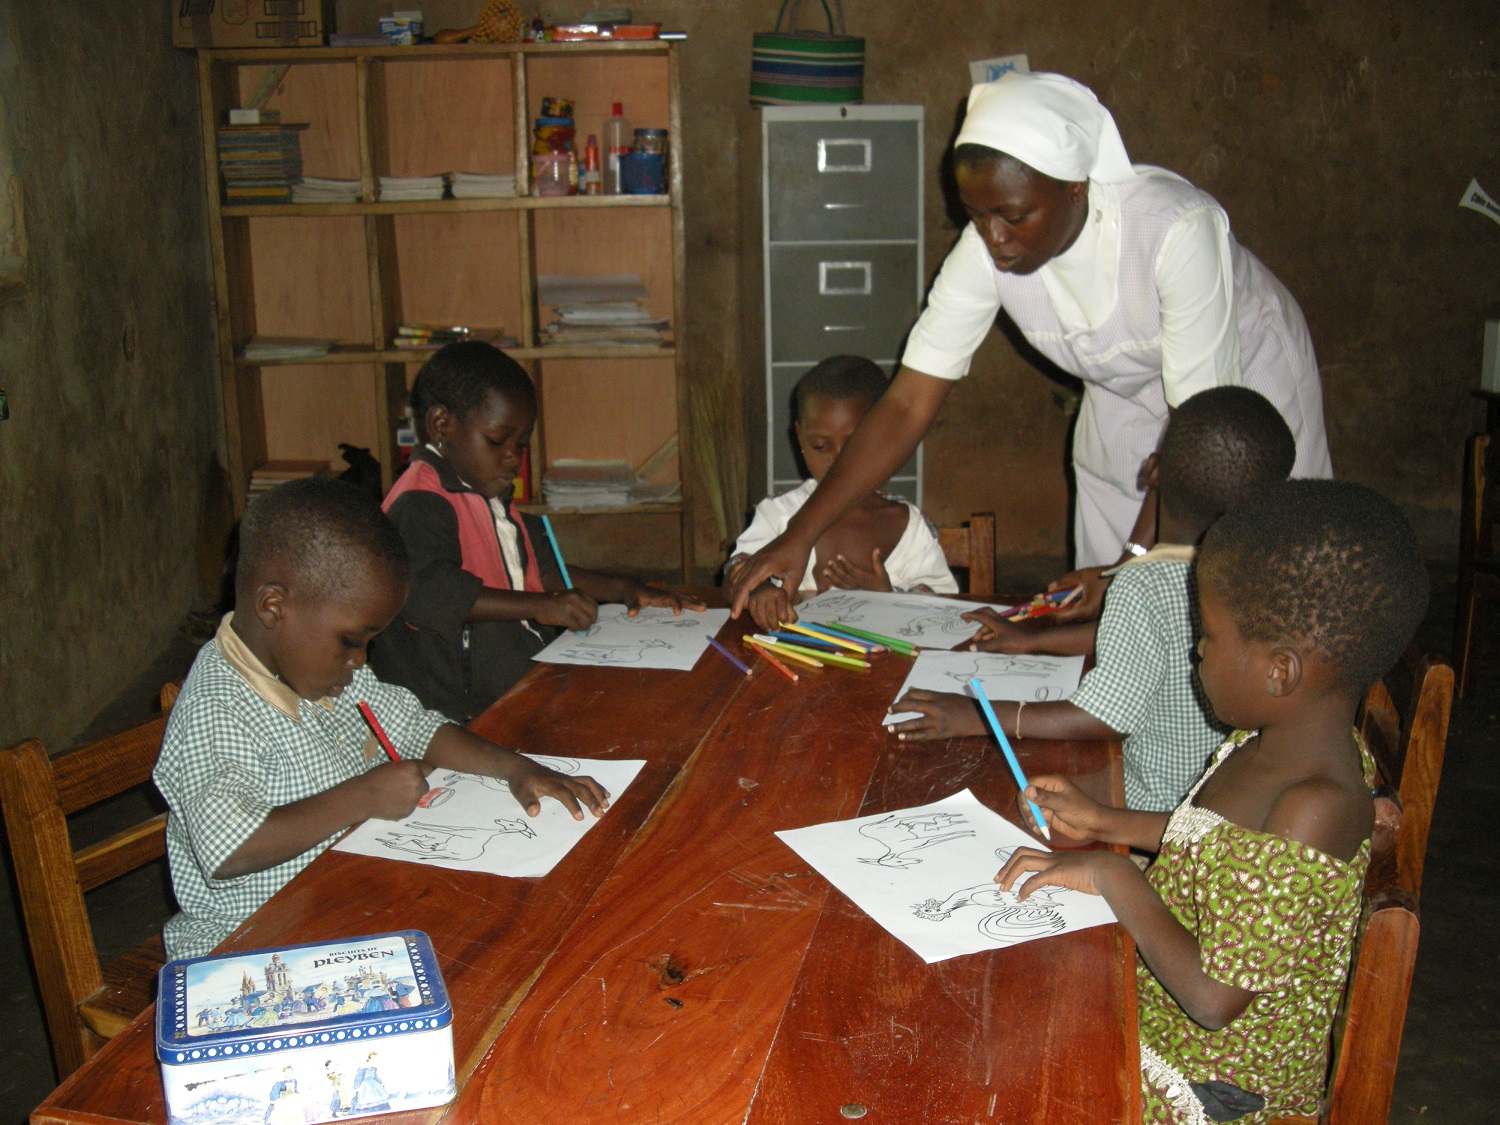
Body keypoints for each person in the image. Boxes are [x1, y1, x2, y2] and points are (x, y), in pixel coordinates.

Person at [727, 71, 1331, 624]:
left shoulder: (1174, 230)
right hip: (1121, 395)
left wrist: (1134, 562)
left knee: (1249, 576)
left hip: (1236, 400)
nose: (993, 238)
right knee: (1109, 609)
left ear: (1075, 189)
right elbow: (908, 403)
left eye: (1013, 215)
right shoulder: (986, 248)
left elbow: (1200, 447)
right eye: (975, 214)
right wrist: (799, 534)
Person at [994, 479, 1428, 1123]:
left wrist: (1113, 872)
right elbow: (1216, 845)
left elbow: (1214, 997)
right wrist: (1105, 820)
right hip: (1164, 1030)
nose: (1198, 649)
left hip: (1212, 1093)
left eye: (1211, 638)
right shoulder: (1264, 742)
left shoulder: (1315, 805)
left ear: (1279, 671)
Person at [153, 478, 608, 960]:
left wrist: (517, 768)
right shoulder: (218, 707)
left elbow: (415, 726)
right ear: (273, 607)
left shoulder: (320, 671)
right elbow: (229, 848)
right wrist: (365, 795)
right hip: (253, 950)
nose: (360, 661)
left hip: (349, 905)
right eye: (351, 641)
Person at [891, 386, 1295, 812]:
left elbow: (1106, 716)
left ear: (1152, 471)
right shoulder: (1259, 578)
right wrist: (1032, 642)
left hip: (1152, 805)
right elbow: (1152, 644)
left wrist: (979, 716)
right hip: (1226, 802)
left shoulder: (1146, 584)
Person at [369, 341, 701, 722]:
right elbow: (428, 593)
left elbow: (541, 571)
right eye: (497, 441)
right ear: (442, 425)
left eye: (521, 444)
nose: (513, 457)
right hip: (454, 713)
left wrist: (625, 589)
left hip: (514, 687)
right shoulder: (421, 501)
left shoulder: (487, 493)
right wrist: (541, 607)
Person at [726, 355, 957, 631]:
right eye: (821, 446)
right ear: (800, 439)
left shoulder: (907, 525)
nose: (838, 462)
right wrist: (759, 591)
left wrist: (888, 597)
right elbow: (734, 573)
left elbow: (945, 604)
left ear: (888, 440)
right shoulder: (777, 515)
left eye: (853, 448)